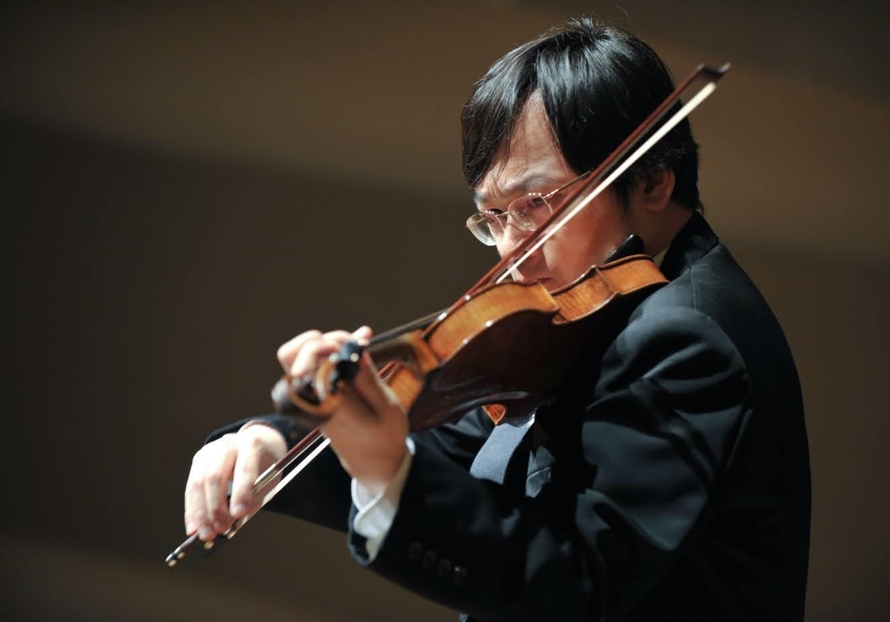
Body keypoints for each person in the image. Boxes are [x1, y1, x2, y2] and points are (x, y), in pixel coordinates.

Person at [183, 16, 811, 621]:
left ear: (652, 183)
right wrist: (273, 444)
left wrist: (387, 470)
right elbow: (461, 443)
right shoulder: (590, 312)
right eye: (494, 218)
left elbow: (581, 582)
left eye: (537, 204)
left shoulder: (686, 336)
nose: (515, 252)